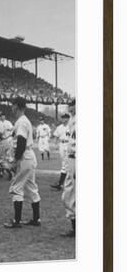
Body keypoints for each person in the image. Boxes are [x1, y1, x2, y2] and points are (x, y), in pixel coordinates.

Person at [4, 97, 41, 229]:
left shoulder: (21, 122)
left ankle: (16, 220)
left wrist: (15, 161)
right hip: (29, 156)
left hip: (24, 156)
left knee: (16, 187)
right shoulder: (24, 121)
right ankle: (36, 219)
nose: (11, 107)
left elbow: (21, 142)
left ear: (17, 106)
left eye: (13, 105)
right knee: (31, 188)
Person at [61, 101, 76, 237]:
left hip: (77, 158)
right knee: (68, 194)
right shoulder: (72, 119)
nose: (70, 109)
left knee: (73, 193)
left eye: (73, 107)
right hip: (71, 157)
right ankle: (75, 227)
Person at [50, 113, 71, 191]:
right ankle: (62, 183)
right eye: (62, 118)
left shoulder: (71, 126)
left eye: (65, 118)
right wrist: (55, 144)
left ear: (68, 118)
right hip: (62, 144)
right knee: (64, 163)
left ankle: (60, 183)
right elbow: (56, 136)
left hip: (69, 144)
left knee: (65, 164)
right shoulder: (59, 127)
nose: (63, 119)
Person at [0, 112, 14, 179]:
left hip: (3, 141)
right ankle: (1, 172)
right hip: (3, 141)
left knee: (0, 159)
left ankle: (9, 171)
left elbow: (0, 134)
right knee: (0, 158)